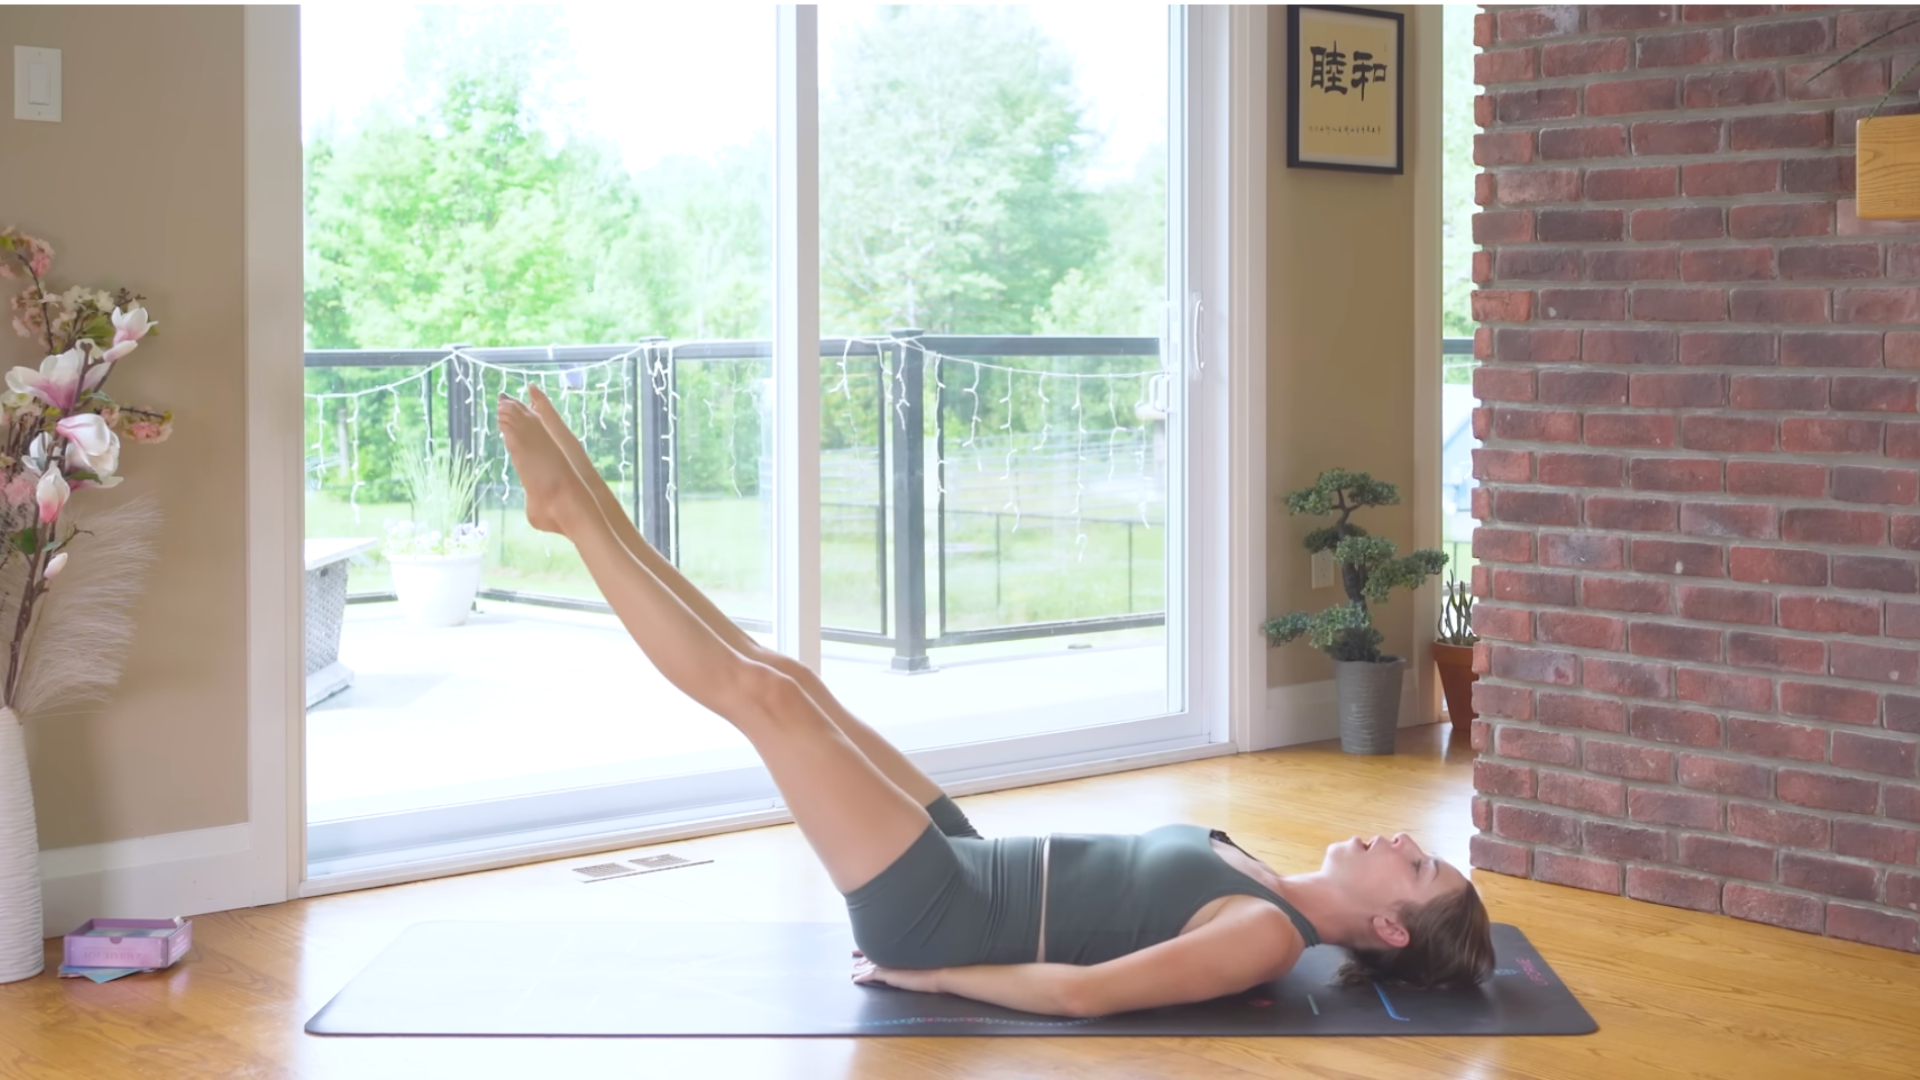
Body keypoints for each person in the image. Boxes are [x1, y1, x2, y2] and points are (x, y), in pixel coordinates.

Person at [495, 386, 1495, 1018]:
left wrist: (928, 979)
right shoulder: (1269, 879)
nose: (1401, 840)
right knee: (794, 682)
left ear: (1394, 931)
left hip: (940, 915)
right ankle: (600, 519)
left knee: (764, 700)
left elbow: (1086, 995)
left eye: (1418, 867)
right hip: (966, 860)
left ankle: (579, 521)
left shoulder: (1271, 936)